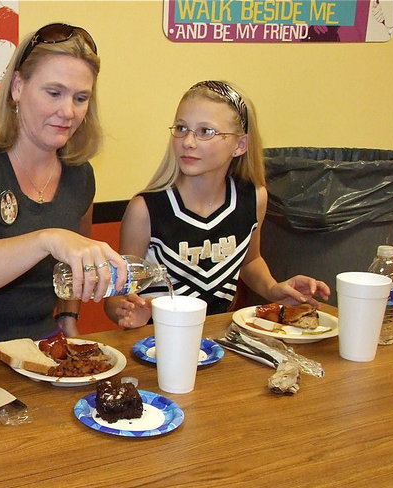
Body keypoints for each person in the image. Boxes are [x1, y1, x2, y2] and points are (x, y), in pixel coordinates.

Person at [0, 23, 127, 357]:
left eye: (80, 98)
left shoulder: (80, 175)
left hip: (41, 343)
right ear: (17, 87)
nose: (68, 112)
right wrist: (48, 239)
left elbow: (75, 261)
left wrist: (69, 314)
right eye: (54, 93)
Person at [104, 80, 330, 329]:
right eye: (181, 128)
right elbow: (116, 296)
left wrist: (273, 289)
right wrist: (129, 313)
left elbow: (250, 261)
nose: (188, 141)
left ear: (240, 145)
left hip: (220, 338)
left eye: (205, 131)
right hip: (158, 342)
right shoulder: (145, 209)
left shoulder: (254, 197)